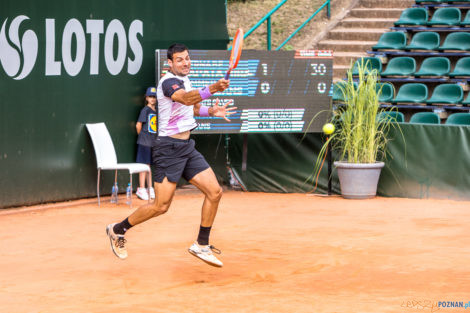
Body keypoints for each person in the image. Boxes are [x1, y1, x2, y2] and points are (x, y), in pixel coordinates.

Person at [106, 43, 236, 267]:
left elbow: (192, 108)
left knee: (214, 192)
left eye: (187, 58)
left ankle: (201, 244)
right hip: (167, 150)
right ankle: (118, 230)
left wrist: (212, 110)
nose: (185, 63)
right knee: (161, 206)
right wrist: (213, 88)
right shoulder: (168, 82)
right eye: (179, 60)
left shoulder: (185, 80)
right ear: (170, 63)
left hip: (187, 147)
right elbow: (185, 99)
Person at [135, 87, 157, 201]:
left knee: (148, 166)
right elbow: (138, 125)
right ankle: (141, 188)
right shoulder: (145, 110)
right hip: (144, 142)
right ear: (146, 98)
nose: (153, 99)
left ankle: (150, 187)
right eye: (151, 97)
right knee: (144, 166)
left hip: (153, 142)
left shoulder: (156, 111)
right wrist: (143, 137)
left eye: (154, 97)